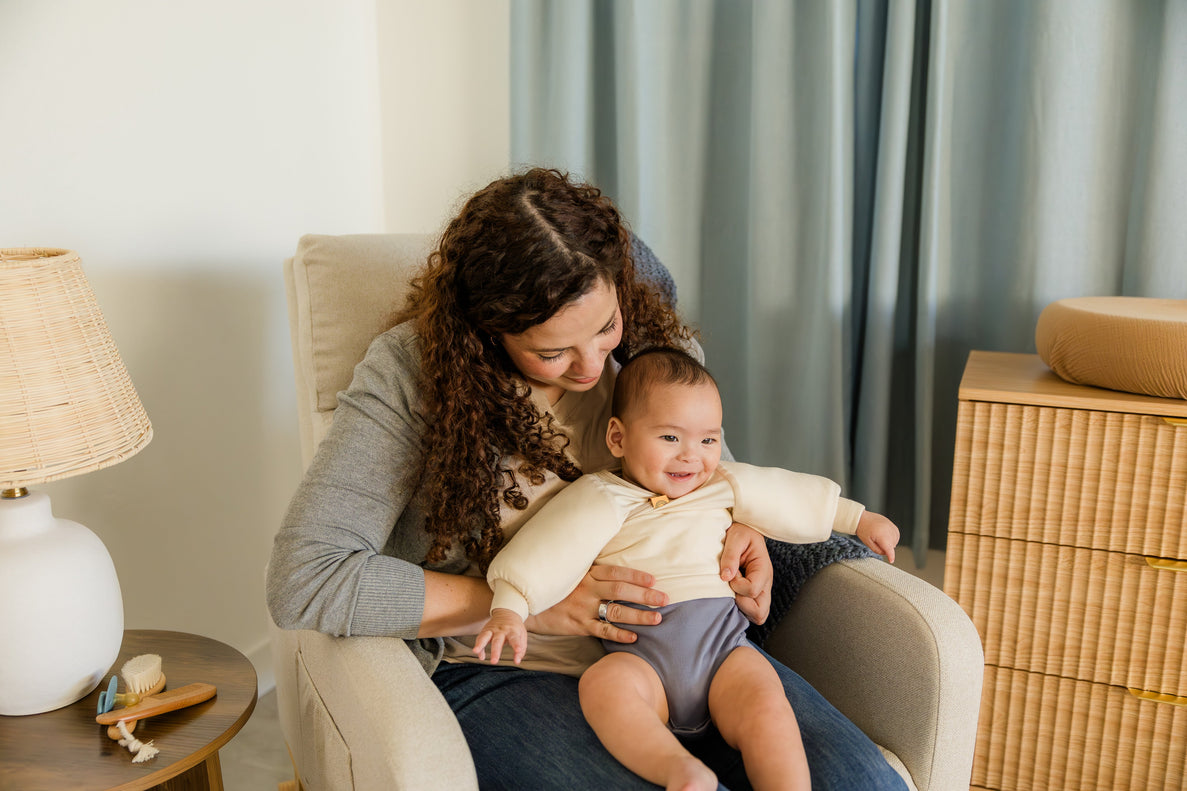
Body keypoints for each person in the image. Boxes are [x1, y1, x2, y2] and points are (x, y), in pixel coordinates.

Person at [266, 167, 909, 790]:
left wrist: (741, 527)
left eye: (606, 330)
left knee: (860, 783)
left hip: (692, 640)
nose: (591, 367)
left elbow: (701, 452)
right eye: (552, 352)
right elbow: (306, 576)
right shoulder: (412, 377)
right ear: (487, 333)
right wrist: (516, 605)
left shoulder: (639, 311)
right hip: (512, 669)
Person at [473, 348, 899, 791]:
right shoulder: (603, 497)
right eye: (670, 438)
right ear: (617, 438)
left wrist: (857, 519)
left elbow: (786, 492)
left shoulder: (722, 485)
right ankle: (678, 769)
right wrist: (508, 606)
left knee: (768, 709)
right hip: (639, 661)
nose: (691, 457)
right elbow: (548, 549)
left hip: (723, 653)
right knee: (604, 689)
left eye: (708, 440)